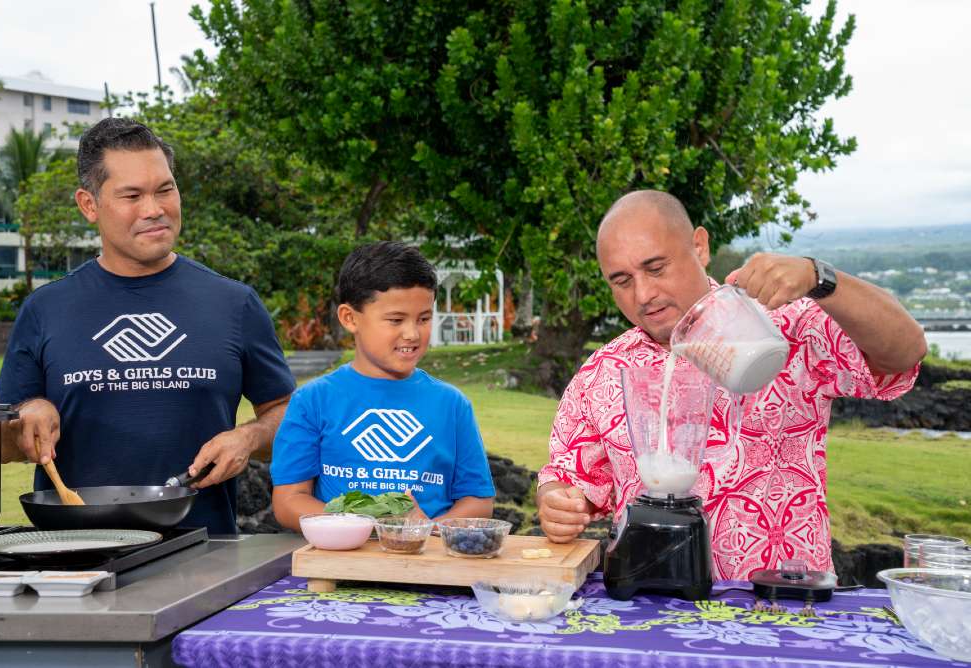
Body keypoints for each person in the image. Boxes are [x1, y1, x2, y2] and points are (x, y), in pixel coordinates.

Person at [536, 190, 926, 579]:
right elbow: (567, 481)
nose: (643, 295)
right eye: (621, 281)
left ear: (699, 246)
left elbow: (903, 354)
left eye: (656, 268)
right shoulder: (603, 372)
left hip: (782, 605)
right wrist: (557, 504)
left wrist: (819, 279)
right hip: (652, 609)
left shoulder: (782, 326)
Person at [0, 118, 295, 535]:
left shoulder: (234, 303)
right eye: (132, 195)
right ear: (89, 204)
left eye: (165, 190)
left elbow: (286, 415)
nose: (154, 209)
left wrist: (247, 438)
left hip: (205, 555)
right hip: (75, 553)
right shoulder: (45, 309)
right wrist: (26, 414)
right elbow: (1, 444)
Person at [270, 241, 496, 528]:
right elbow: (289, 500)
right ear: (349, 318)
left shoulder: (452, 404)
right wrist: (358, 525)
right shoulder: (312, 400)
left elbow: (478, 500)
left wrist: (426, 530)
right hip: (341, 561)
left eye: (424, 318)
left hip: (425, 564)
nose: (412, 333)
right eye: (395, 320)